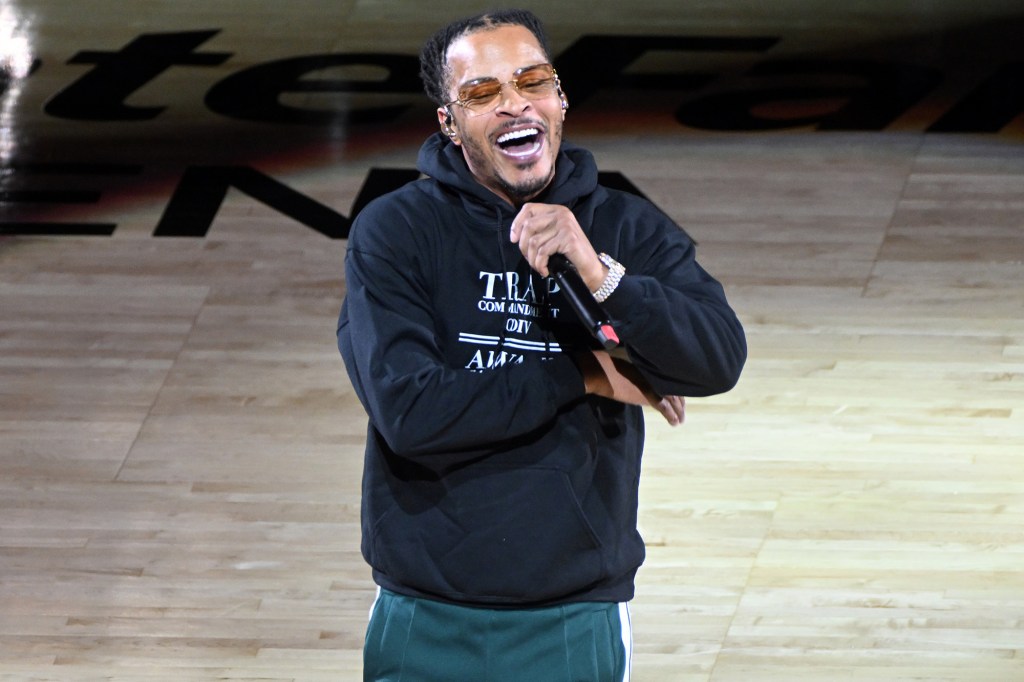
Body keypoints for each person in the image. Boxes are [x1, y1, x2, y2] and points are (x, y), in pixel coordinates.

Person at [336, 8, 746, 681]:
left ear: (560, 100)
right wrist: (581, 372)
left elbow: (715, 360)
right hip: (423, 610)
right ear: (449, 122)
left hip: (573, 613)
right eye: (482, 93)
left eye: (533, 82)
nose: (513, 104)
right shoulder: (397, 232)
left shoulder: (623, 227)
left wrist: (598, 272)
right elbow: (411, 413)